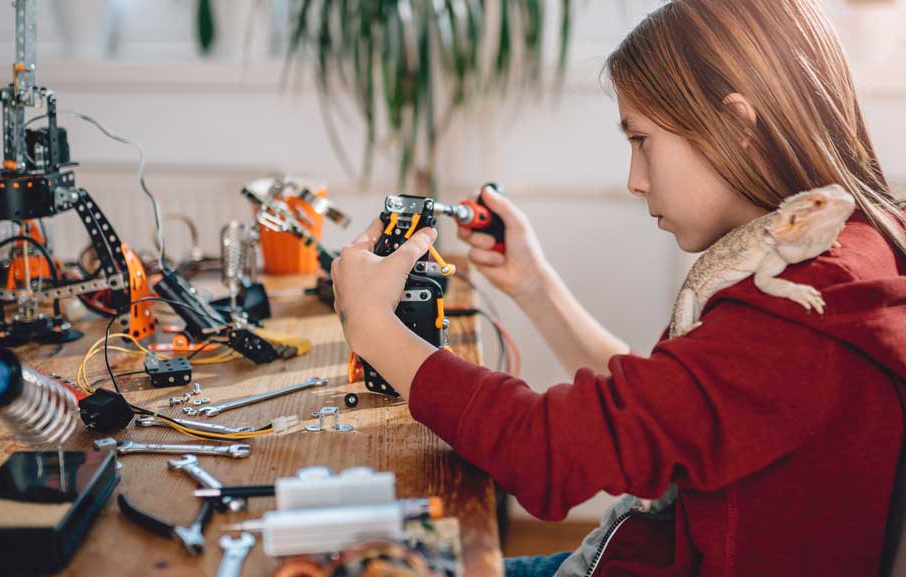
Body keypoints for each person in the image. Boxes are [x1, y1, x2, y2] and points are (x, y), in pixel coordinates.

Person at [329, 0, 906, 575]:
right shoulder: (853, 252)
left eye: (641, 139)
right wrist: (535, 287)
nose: (634, 180)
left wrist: (375, 327)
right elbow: (665, 412)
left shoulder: (800, 319)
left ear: (736, 125)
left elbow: (545, 451)